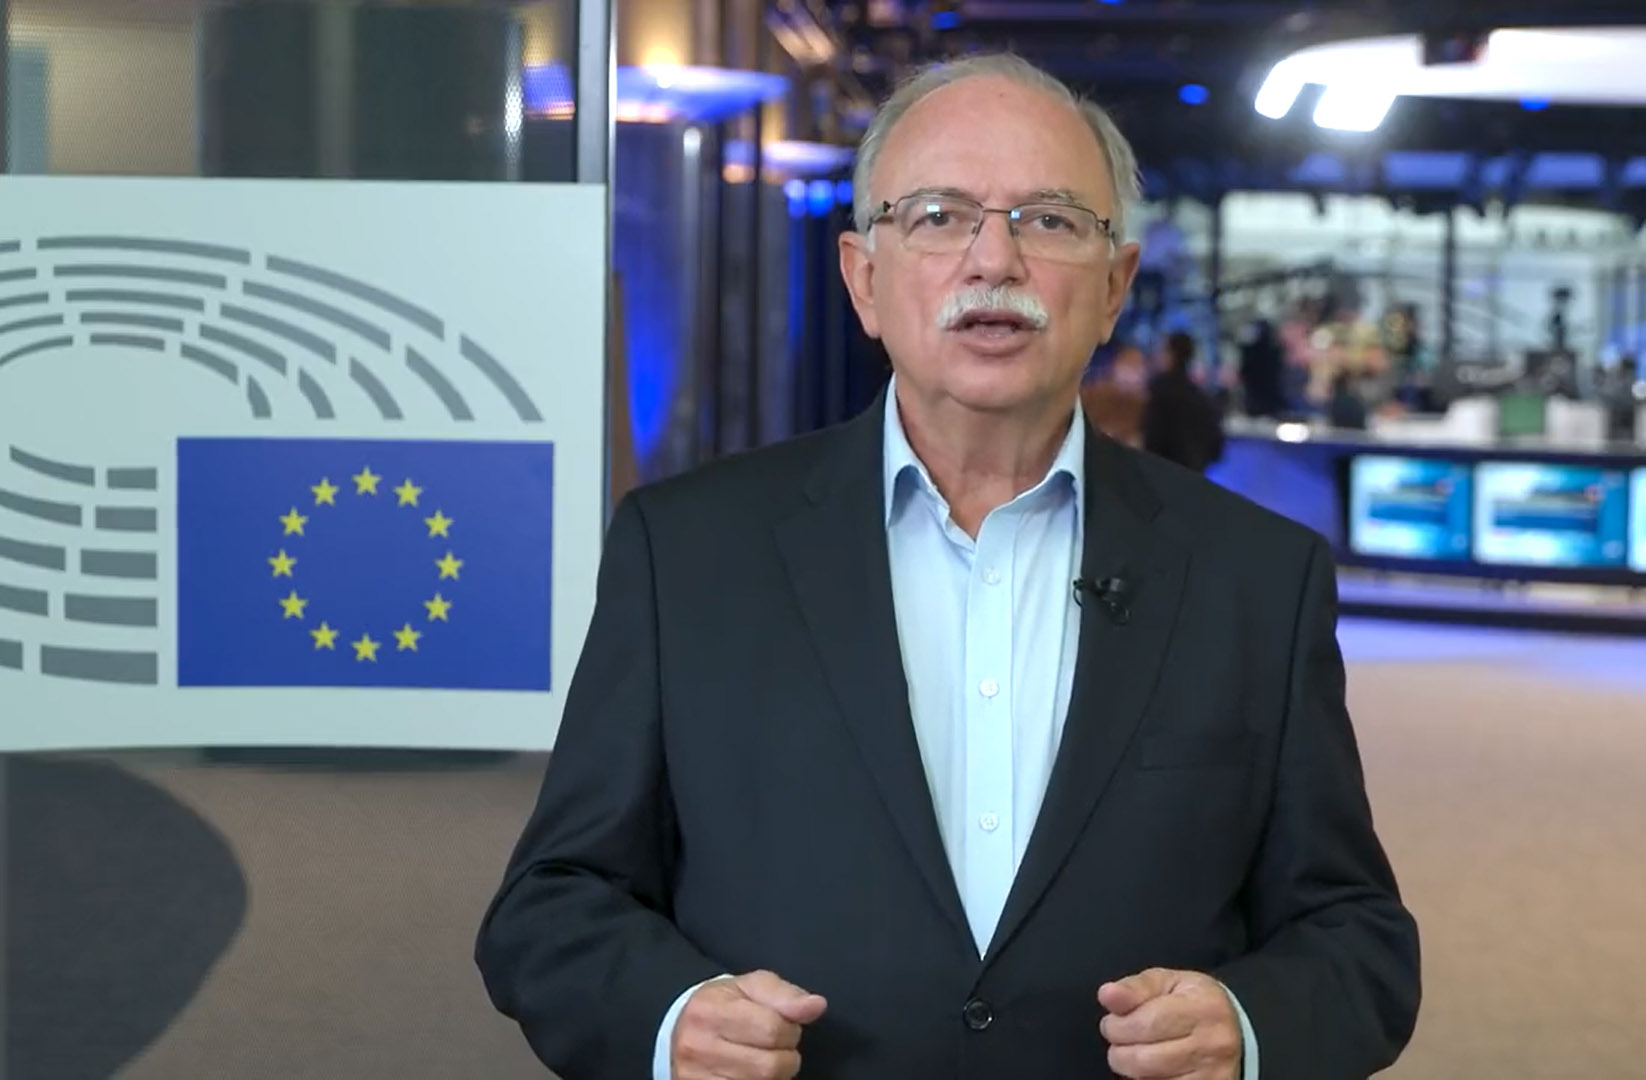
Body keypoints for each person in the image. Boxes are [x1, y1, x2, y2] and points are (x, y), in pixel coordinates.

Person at [475, 52, 1419, 1080]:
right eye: (937, 216)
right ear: (862, 279)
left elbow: (1357, 938)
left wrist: (1247, 1024)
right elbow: (551, 905)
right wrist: (668, 1020)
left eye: (1050, 219)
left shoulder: (1258, 577)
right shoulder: (687, 551)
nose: (994, 260)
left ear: (1115, 287)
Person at [1141, 331, 1225, 472]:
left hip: (1161, 474)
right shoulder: (1201, 397)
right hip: (1193, 475)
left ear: (1171, 354)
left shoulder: (1159, 391)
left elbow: (1153, 439)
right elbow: (1216, 447)